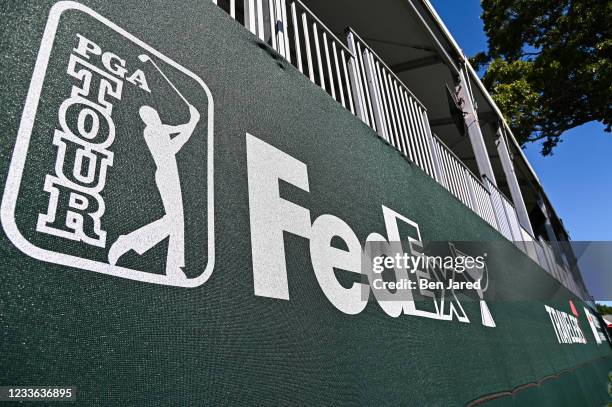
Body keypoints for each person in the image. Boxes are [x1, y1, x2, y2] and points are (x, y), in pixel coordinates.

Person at [108, 104, 200, 281]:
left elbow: (180, 139)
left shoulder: (161, 131)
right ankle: (128, 242)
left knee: (177, 221)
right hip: (166, 176)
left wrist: (192, 123)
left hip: (172, 175)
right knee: (174, 220)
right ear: (146, 120)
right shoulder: (151, 132)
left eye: (155, 113)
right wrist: (191, 122)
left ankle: (173, 267)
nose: (155, 116)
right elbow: (174, 138)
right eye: (150, 115)